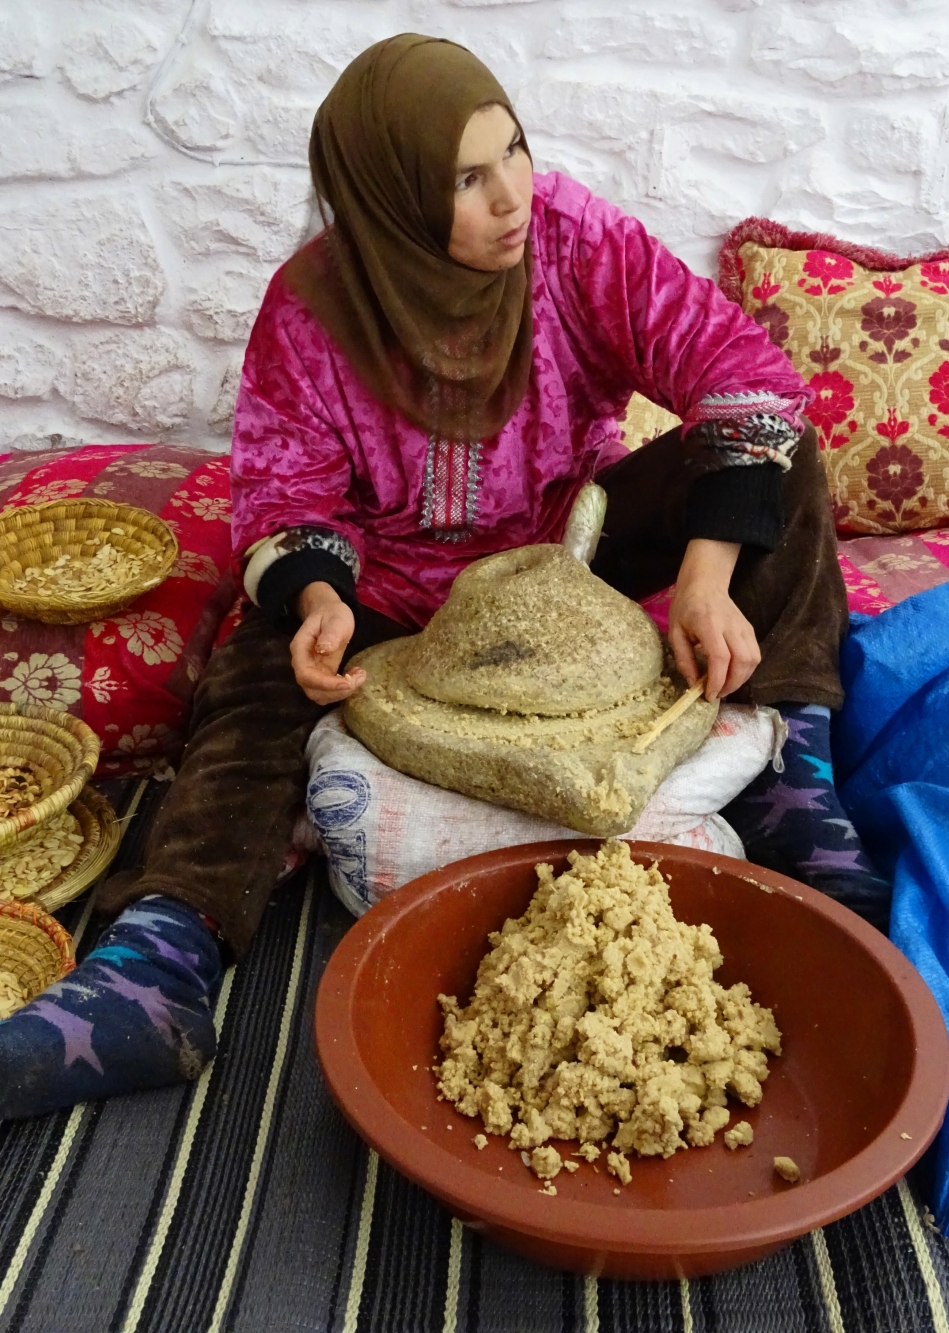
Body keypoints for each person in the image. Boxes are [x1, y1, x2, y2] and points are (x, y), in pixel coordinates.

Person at [0, 34, 889, 1121]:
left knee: (780, 453)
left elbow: (744, 375)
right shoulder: (315, 305)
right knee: (254, 673)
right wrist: (320, 602)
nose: (510, 196)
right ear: (388, 200)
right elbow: (286, 495)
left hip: (568, 557)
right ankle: (161, 963)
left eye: (512, 150)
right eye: (466, 180)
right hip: (398, 591)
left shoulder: (571, 240)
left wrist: (705, 575)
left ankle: (795, 773)